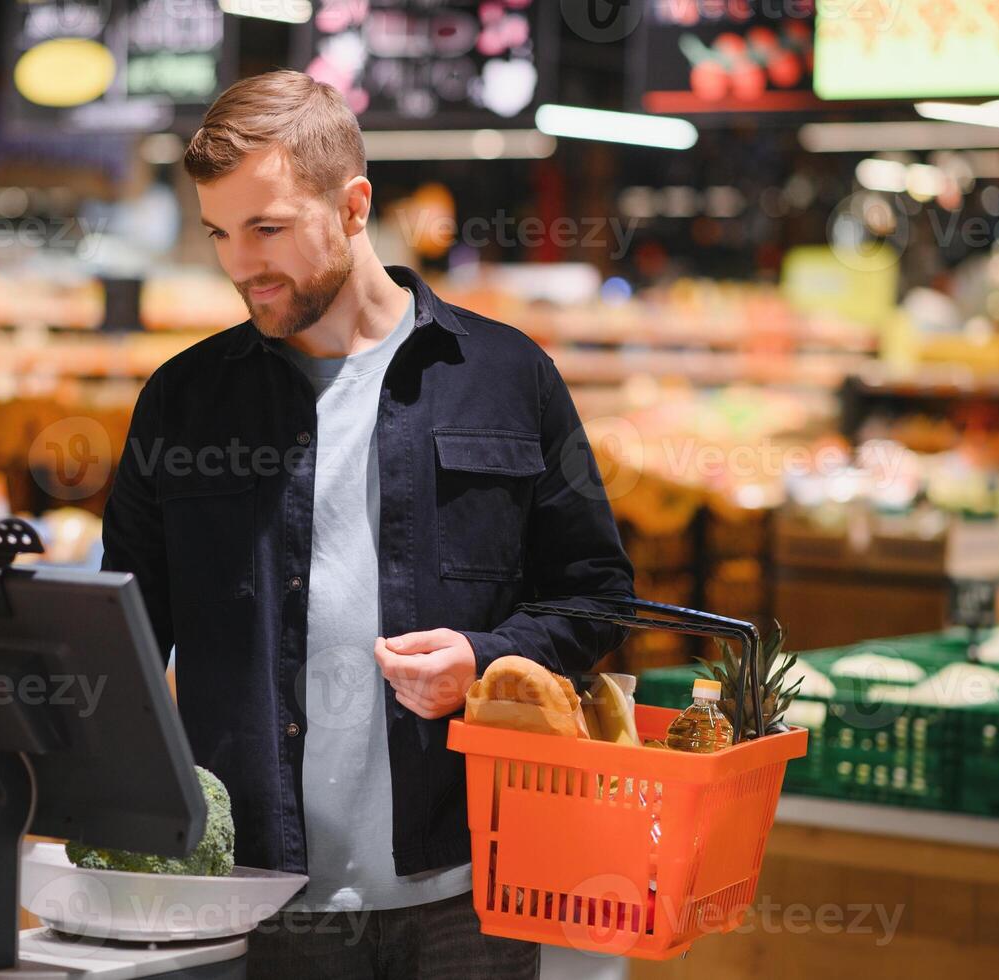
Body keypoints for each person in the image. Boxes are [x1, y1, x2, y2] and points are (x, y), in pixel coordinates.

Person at [101, 69, 634, 980]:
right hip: (255, 906)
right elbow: (126, 648)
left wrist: (487, 657)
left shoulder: (507, 378)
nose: (239, 264)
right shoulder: (182, 405)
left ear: (353, 208)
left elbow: (597, 601)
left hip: (470, 890)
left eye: (266, 227)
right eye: (220, 233)